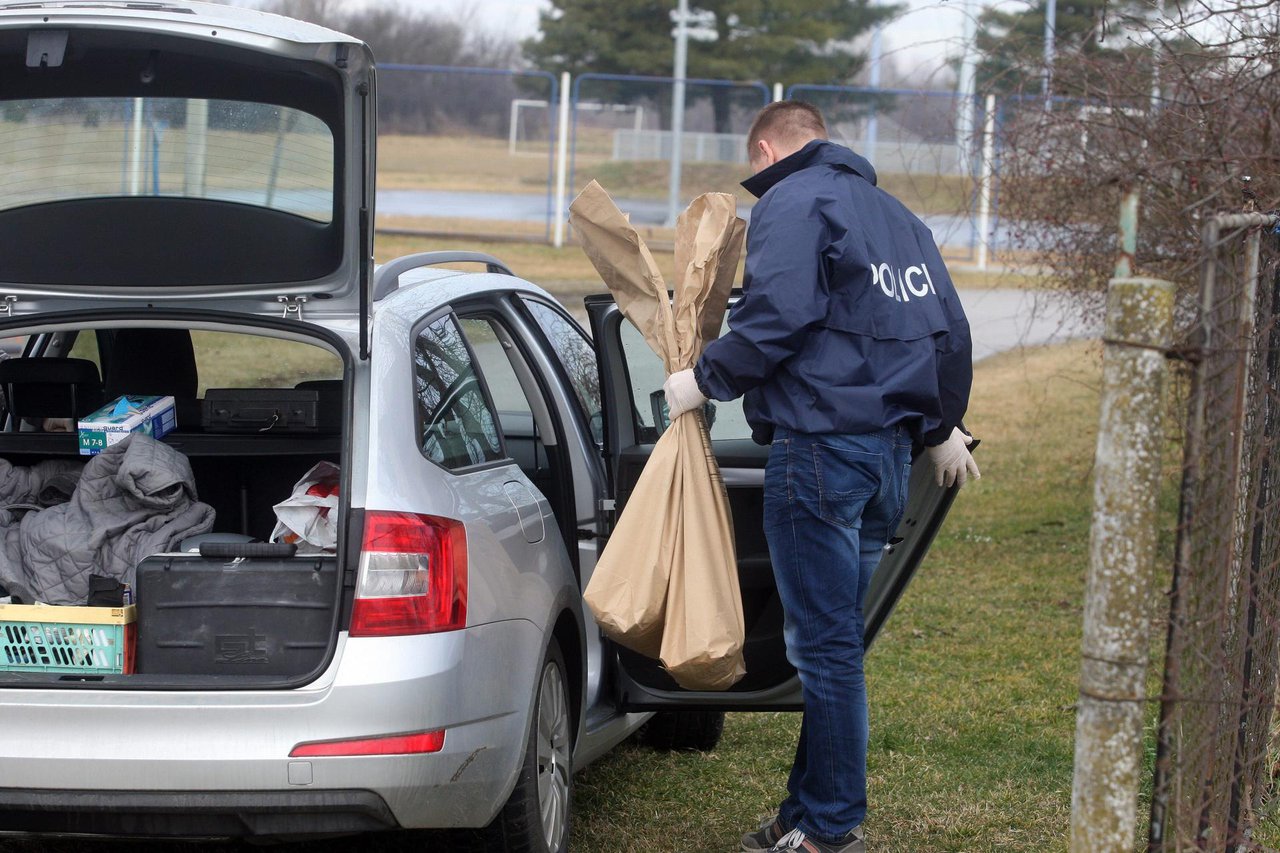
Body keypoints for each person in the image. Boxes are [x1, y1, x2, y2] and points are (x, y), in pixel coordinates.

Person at [662, 101, 980, 853]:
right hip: (885, 462)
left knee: (826, 647)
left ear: (768, 149)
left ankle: (831, 826)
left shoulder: (793, 200)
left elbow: (778, 316)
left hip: (819, 451)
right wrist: (939, 425)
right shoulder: (896, 216)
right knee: (837, 644)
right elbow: (951, 333)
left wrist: (702, 378)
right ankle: (804, 812)